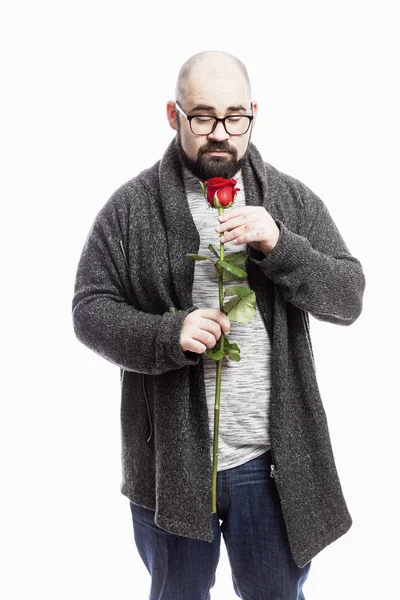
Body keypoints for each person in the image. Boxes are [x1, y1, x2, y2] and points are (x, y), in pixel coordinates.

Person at [72, 50, 366, 599]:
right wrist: (166, 335)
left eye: (235, 117)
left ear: (253, 114)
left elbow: (348, 298)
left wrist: (280, 244)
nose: (220, 133)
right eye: (202, 116)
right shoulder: (131, 209)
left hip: (272, 465)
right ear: (173, 114)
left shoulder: (291, 201)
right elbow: (89, 309)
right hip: (171, 468)